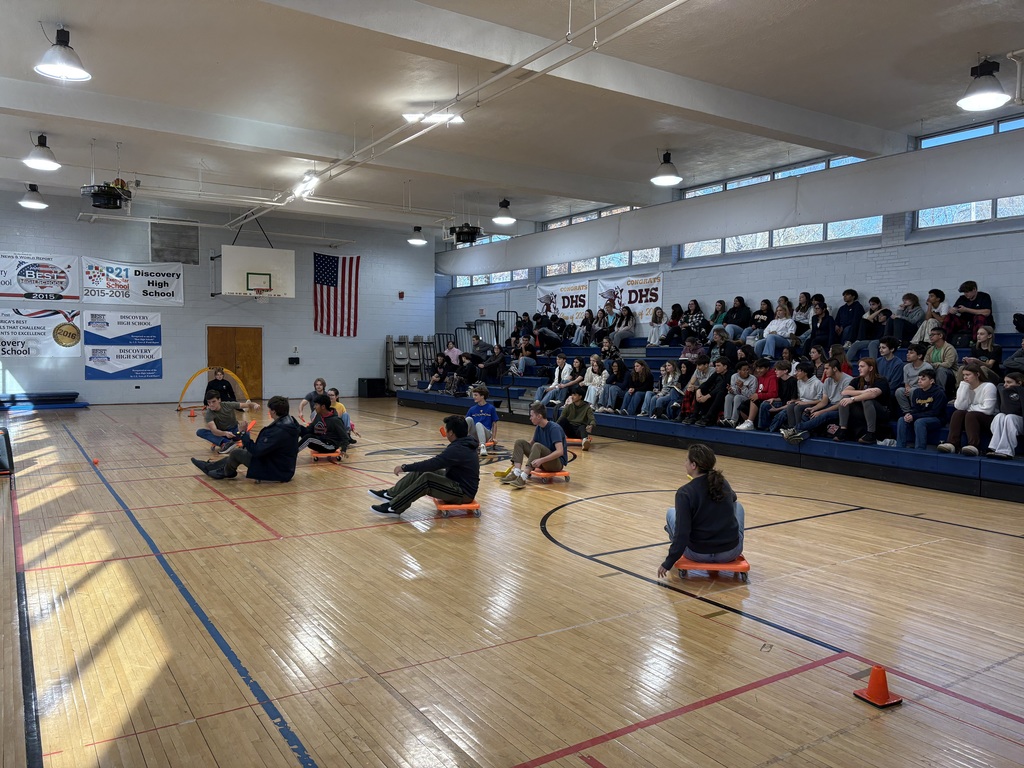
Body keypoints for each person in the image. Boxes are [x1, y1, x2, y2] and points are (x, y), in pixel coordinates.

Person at [658, 443, 744, 578]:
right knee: (737, 506)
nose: (684, 463)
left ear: (693, 465)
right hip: (730, 552)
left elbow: (682, 533)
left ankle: (670, 532)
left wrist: (668, 562)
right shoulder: (722, 483)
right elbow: (733, 498)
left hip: (697, 553)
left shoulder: (685, 492)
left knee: (671, 512)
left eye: (687, 460)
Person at [368, 415, 479, 515]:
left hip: (463, 493)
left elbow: (432, 464)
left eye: (446, 430)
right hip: (455, 480)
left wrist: (405, 467)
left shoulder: (458, 449)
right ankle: (391, 494)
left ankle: (394, 507)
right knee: (422, 471)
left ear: (451, 433)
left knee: (427, 479)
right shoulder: (464, 443)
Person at [191, 396, 299, 481]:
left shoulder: (277, 430)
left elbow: (257, 451)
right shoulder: (291, 423)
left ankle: (226, 472)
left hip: (277, 470)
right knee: (243, 450)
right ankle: (212, 467)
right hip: (284, 467)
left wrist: (244, 433)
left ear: (274, 412)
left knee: (236, 453)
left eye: (270, 409)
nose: (269, 412)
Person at [783, 358, 852, 443]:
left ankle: (796, 429)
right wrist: (814, 409)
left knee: (824, 415)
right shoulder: (827, 381)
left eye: (827, 369)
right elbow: (824, 401)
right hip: (830, 405)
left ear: (835, 369)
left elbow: (841, 404)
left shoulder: (848, 380)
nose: (824, 371)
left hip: (842, 409)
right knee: (807, 412)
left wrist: (821, 411)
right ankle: (805, 433)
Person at [499, 401, 566, 489]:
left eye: (532, 415)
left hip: (556, 463)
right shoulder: (538, 427)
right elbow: (529, 445)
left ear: (539, 416)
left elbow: (560, 451)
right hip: (543, 461)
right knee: (520, 442)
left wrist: (541, 460)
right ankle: (517, 473)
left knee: (537, 446)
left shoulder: (554, 428)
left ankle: (523, 477)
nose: (530, 418)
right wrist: (516, 456)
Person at [937, 363, 998, 455]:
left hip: (989, 420)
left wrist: (969, 408)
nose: (965, 377)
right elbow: (959, 407)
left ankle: (973, 446)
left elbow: (988, 409)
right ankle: (952, 444)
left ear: (977, 374)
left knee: (970, 414)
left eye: (968, 375)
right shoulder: (964, 386)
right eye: (964, 375)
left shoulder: (988, 386)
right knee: (958, 413)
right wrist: (963, 387)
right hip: (970, 419)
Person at [833, 357, 890, 444]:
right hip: (863, 411)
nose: (859, 368)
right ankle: (843, 431)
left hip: (881, 411)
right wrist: (864, 391)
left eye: (862, 366)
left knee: (867, 400)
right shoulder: (857, 380)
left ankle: (871, 434)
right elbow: (844, 391)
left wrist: (853, 398)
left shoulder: (881, 380)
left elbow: (873, 394)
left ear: (870, 368)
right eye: (859, 366)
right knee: (844, 399)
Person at [895, 369, 947, 450]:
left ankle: (920, 449)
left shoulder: (939, 393)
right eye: (918, 379)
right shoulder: (917, 392)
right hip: (921, 416)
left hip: (937, 418)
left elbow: (935, 412)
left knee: (919, 422)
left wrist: (914, 416)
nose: (919, 381)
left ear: (931, 381)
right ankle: (900, 448)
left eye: (923, 379)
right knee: (902, 420)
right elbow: (916, 408)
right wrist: (910, 414)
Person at [196, 392, 261, 452]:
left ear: (219, 400)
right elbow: (214, 431)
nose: (211, 404)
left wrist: (255, 405)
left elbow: (248, 405)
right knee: (200, 432)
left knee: (245, 429)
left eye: (213, 402)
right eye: (209, 402)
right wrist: (225, 433)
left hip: (235, 432)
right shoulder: (209, 413)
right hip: (221, 434)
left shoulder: (228, 405)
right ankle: (226, 443)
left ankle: (245, 445)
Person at [780, 361, 826, 435]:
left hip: (813, 403)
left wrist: (805, 403)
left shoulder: (817, 383)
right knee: (790, 406)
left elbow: (821, 400)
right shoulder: (799, 382)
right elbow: (801, 397)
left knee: (798, 407)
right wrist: (794, 400)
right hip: (802, 402)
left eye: (798, 371)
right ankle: (791, 428)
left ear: (805, 372)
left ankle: (800, 429)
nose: (796, 373)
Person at [986, 373, 1023, 459]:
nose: (1005, 385)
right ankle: (995, 448)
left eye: (1009, 382)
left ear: (1019, 383)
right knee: (1000, 416)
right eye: (1005, 382)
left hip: (1020, 423)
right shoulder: (1002, 392)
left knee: (1010, 417)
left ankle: (1006, 451)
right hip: (1008, 421)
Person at [686, 357, 729, 427]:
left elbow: (721, 388)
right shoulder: (717, 373)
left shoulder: (730, 374)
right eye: (715, 366)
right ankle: (694, 415)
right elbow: (707, 383)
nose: (716, 368)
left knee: (720, 393)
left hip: (724, 397)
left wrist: (706, 396)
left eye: (718, 366)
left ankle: (708, 418)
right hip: (714, 395)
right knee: (702, 390)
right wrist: (699, 391)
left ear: (725, 367)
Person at [737, 358, 777, 430]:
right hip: (761, 398)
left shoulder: (772, 377)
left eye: (761, 368)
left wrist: (759, 395)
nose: (758, 370)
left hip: (769, 400)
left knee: (754, 400)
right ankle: (750, 424)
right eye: (757, 368)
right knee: (742, 406)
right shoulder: (760, 377)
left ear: (767, 368)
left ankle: (750, 422)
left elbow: (774, 394)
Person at [895, 343, 934, 414]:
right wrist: (907, 388)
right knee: (899, 391)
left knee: (913, 390)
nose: (907, 354)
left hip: (923, 389)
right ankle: (906, 411)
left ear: (919, 356)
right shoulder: (906, 367)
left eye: (911, 353)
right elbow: (906, 382)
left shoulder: (927, 367)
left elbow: (928, 384)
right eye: (908, 352)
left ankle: (915, 410)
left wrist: (910, 390)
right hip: (911, 388)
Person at [556, 386, 596, 450]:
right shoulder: (569, 407)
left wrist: (591, 425)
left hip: (579, 431)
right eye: (572, 394)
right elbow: (561, 418)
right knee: (563, 420)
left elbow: (592, 419)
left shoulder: (587, 407)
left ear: (580, 397)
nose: (572, 396)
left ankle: (584, 442)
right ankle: (554, 437)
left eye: (575, 395)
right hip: (570, 430)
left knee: (582, 427)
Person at [720, 359, 757, 428]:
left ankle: (734, 421)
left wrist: (742, 387)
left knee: (738, 397)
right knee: (728, 396)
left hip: (747, 398)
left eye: (748, 369)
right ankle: (727, 418)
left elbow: (751, 395)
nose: (747, 371)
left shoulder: (753, 379)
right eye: (744, 370)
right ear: (738, 371)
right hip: (738, 395)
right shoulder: (734, 376)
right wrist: (731, 390)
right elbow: (735, 391)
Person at [465, 385, 499, 457]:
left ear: (482, 396)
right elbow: (466, 423)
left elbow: (494, 423)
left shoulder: (491, 408)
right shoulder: (472, 409)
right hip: (475, 434)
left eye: (476, 395)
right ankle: (462, 440)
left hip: (486, 433)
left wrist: (494, 437)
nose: (474, 397)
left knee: (478, 424)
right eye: (473, 395)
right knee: (468, 419)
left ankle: (483, 446)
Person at [925, 327, 958, 393]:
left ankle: (939, 392)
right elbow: (925, 362)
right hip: (934, 370)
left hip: (950, 373)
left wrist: (933, 365)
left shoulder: (949, 348)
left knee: (941, 369)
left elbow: (948, 364)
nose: (931, 337)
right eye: (930, 335)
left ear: (940, 336)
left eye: (933, 335)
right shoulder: (930, 349)